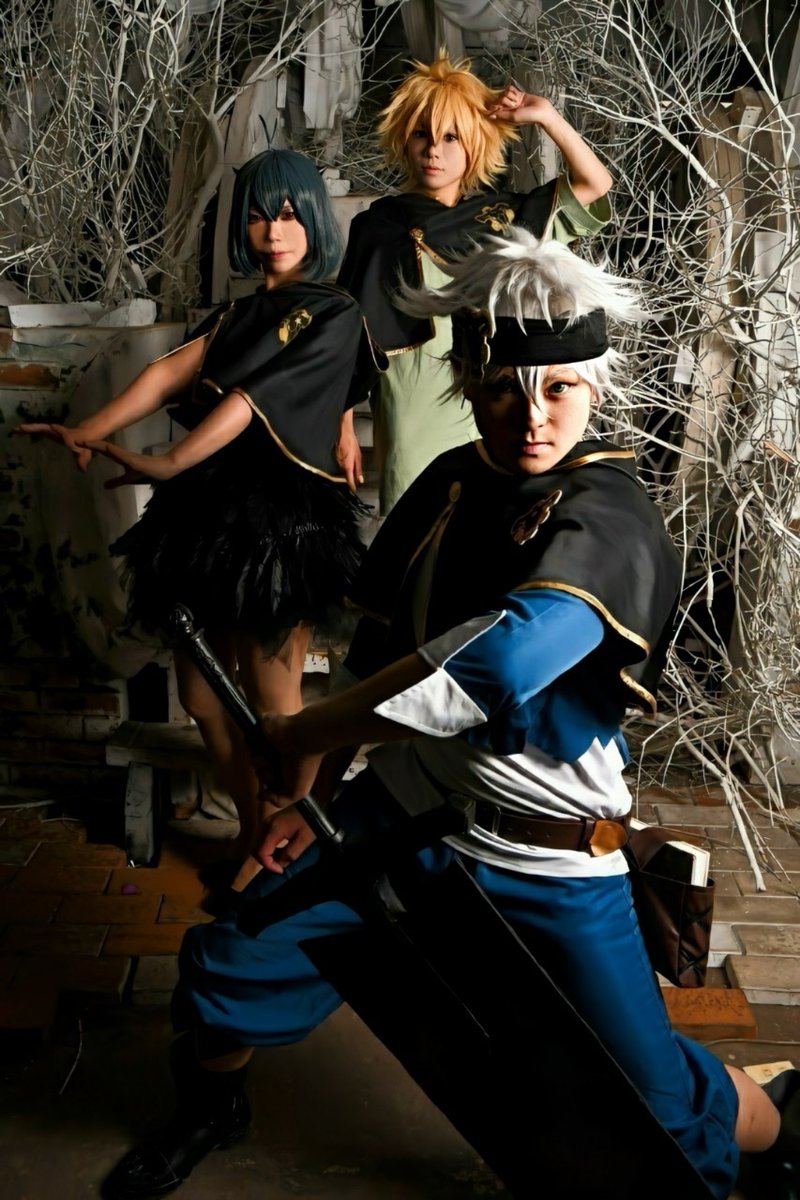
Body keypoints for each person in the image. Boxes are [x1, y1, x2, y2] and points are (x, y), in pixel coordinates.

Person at [99, 229, 789, 1200]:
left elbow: (497, 668)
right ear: (468, 383)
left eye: (558, 388)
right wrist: (313, 800)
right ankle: (212, 1106)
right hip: (402, 815)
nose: (532, 415)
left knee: (649, 1102)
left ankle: (776, 1128)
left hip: (546, 853)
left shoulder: (610, 511)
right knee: (234, 958)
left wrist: (304, 733)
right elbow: (377, 651)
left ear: (593, 387)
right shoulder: (450, 485)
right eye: (504, 387)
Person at [16, 149, 369, 867]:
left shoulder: (335, 311)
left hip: (280, 520)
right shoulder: (235, 312)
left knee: (274, 707)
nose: (274, 230)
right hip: (207, 516)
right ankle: (254, 832)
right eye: (260, 215)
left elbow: (250, 400)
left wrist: (169, 461)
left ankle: (286, 858)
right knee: (203, 696)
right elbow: (164, 374)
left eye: (291, 214)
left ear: (315, 220)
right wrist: (88, 430)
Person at [335, 51, 613, 514]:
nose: (433, 150)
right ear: (403, 138)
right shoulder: (379, 225)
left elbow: (595, 184)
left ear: (474, 145)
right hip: (411, 391)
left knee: (491, 515)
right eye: (421, 133)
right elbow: (347, 334)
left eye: (451, 137)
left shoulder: (504, 219)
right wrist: (343, 425)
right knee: (417, 516)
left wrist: (546, 116)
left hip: (495, 384)